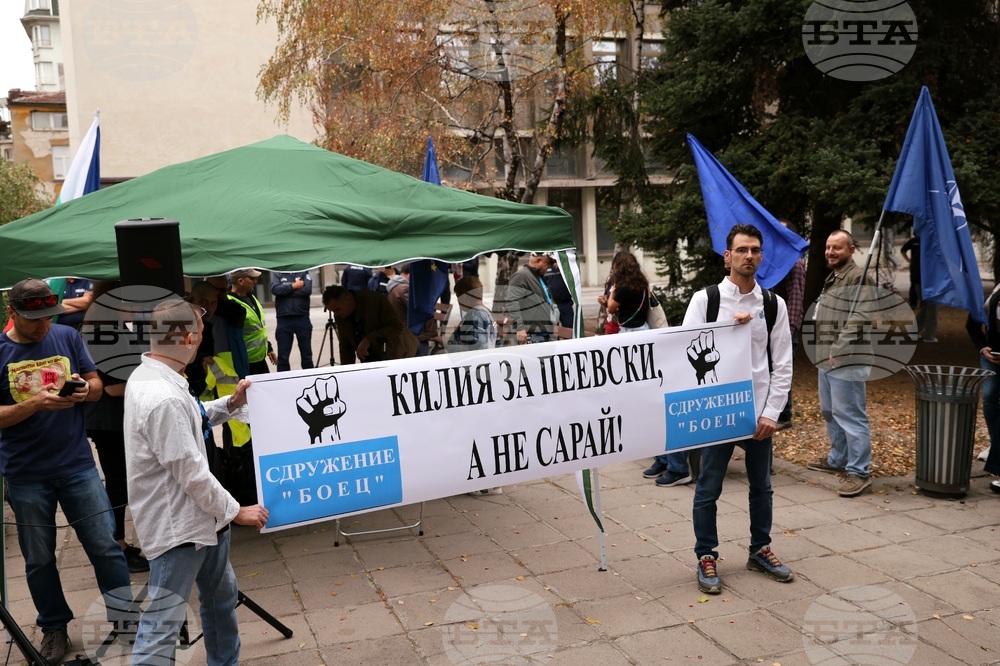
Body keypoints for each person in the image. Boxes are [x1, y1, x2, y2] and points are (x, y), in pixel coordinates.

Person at [125, 298, 268, 665]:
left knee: (221, 602)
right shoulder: (162, 396)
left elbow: (193, 418)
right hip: (181, 529)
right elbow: (190, 470)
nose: (204, 340)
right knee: (162, 626)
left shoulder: (157, 376)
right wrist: (237, 511)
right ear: (189, 339)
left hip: (205, 521)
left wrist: (231, 404)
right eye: (202, 334)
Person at [0, 278, 131, 665]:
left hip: (77, 465)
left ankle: (125, 620)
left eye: (49, 317)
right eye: (34, 320)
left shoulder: (67, 336)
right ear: (11, 313)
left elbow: (95, 382)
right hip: (25, 473)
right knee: (39, 559)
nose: (44, 326)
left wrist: (86, 391)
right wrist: (32, 405)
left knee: (106, 547)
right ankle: (54, 627)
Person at [683, 224, 793, 594]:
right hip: (718, 410)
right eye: (742, 250)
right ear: (727, 256)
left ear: (761, 256)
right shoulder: (706, 301)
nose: (749, 256)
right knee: (708, 486)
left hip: (757, 412)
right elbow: (684, 352)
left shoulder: (773, 305)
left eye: (755, 250)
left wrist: (771, 413)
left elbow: (783, 363)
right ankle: (706, 555)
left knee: (762, 486)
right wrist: (728, 329)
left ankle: (760, 549)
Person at [83, 280, 150, 574]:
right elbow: (113, 388)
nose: (135, 308)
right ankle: (117, 546)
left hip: (113, 418)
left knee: (121, 481)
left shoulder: (112, 328)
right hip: (109, 420)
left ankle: (118, 543)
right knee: (118, 482)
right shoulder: (104, 333)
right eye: (129, 302)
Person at [806, 230, 874, 497]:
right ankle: (838, 460)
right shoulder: (834, 276)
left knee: (851, 414)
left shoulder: (858, 277)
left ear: (851, 250)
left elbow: (861, 316)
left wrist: (839, 348)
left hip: (847, 359)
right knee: (830, 411)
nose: (831, 252)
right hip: (826, 357)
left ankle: (859, 472)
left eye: (837, 248)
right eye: (828, 247)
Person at [322, 285, 419, 363]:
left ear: (347, 299)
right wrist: (346, 372)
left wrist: (369, 339)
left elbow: (396, 327)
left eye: (337, 309)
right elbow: (346, 347)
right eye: (332, 311)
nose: (336, 314)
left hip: (400, 355)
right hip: (370, 359)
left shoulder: (374, 300)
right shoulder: (340, 315)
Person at [772, 220, 806, 430]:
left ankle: (784, 416)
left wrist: (790, 330)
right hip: (771, 327)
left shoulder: (794, 263)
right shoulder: (772, 262)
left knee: (782, 369)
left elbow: (796, 299)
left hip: (786, 328)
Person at [966, 284, 1000, 491]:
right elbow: (972, 324)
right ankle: (996, 447)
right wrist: (982, 348)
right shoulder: (993, 295)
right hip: (992, 357)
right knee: (990, 397)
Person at [496, 252, 558, 344]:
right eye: (548, 263)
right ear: (539, 260)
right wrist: (520, 328)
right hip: (531, 335)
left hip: (544, 334)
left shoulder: (539, 277)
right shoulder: (521, 276)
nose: (549, 267)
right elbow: (512, 302)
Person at [227, 268, 277, 375]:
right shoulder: (230, 303)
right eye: (252, 278)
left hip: (260, 360)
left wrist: (268, 348)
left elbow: (258, 329)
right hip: (245, 362)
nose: (255, 281)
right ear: (241, 281)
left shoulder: (252, 297)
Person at [386, 264, 437, 356]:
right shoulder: (405, 288)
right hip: (415, 333)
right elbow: (419, 309)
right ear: (410, 275)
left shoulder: (395, 287)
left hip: (405, 332)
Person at [270, 270, 314, 372]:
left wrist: (285, 292)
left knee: (307, 355)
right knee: (283, 357)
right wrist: (294, 286)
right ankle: (283, 380)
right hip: (284, 319)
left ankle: (309, 377)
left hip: (302, 318)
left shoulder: (304, 273)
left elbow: (307, 290)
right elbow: (275, 289)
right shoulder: (278, 274)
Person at [901, 234, 938, 343]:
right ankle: (929, 335)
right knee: (931, 309)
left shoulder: (922, 248)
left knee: (925, 307)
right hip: (927, 282)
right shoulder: (927, 246)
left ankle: (914, 331)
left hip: (920, 281)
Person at [447, 276, 497, 353]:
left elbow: (477, 348)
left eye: (458, 296)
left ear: (464, 297)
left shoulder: (474, 317)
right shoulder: (489, 313)